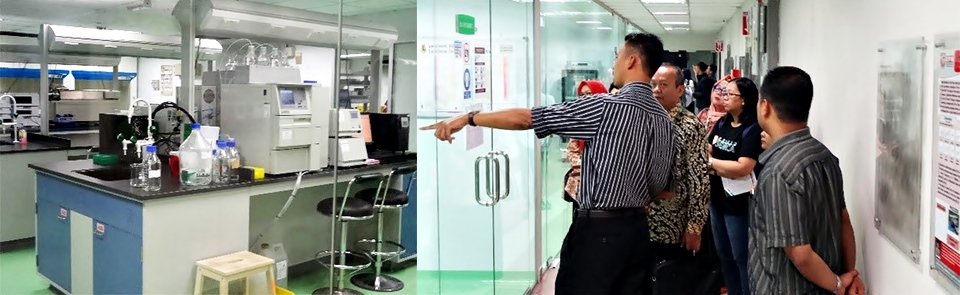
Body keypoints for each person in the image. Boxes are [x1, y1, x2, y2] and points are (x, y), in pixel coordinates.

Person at [421, 32, 674, 294]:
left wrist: (470, 118)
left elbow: (527, 119)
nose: (615, 64)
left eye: (618, 57)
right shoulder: (664, 120)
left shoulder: (605, 107)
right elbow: (658, 185)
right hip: (638, 233)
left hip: (599, 233)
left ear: (631, 60)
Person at [750, 66, 865, 295]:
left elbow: (800, 253)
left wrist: (840, 285)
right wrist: (847, 275)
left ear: (765, 107)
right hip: (826, 285)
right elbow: (843, 221)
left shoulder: (778, 172)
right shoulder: (824, 155)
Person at [706, 77, 763, 295]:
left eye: (730, 94)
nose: (724, 97)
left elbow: (743, 166)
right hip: (717, 200)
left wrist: (711, 164)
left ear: (745, 100)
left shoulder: (752, 129)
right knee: (724, 254)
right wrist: (718, 164)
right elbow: (709, 148)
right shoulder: (722, 123)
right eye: (724, 92)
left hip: (739, 204)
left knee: (741, 257)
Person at [648, 63, 709, 261]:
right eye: (653, 84)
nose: (657, 90)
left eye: (664, 85)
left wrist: (694, 227)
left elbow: (699, 180)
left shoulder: (690, 126)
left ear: (680, 90)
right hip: (642, 219)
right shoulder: (645, 120)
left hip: (673, 221)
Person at [563, 80, 608, 219]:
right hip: (580, 188)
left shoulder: (611, 121)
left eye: (589, 94)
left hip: (606, 190)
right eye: (581, 96)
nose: (586, 99)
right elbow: (573, 152)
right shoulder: (579, 122)